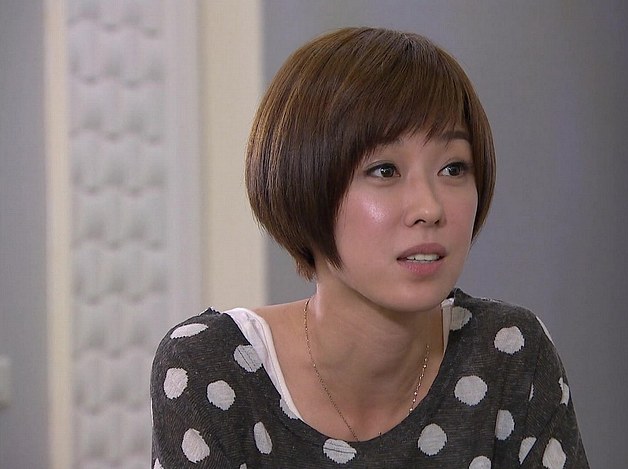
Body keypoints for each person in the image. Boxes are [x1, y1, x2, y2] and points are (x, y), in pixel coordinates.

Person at [151, 27, 588, 468]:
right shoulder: (210, 367)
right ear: (305, 184)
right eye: (384, 170)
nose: (430, 208)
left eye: (454, 168)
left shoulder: (509, 353)